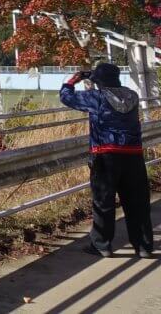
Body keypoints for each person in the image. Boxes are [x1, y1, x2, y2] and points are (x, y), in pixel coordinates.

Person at [60, 62, 153, 258]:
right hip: (133, 155)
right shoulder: (132, 95)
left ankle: (102, 244)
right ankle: (143, 246)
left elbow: (66, 97)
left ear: (99, 81)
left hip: (106, 154)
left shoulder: (96, 97)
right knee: (137, 202)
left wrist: (72, 81)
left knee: (104, 201)